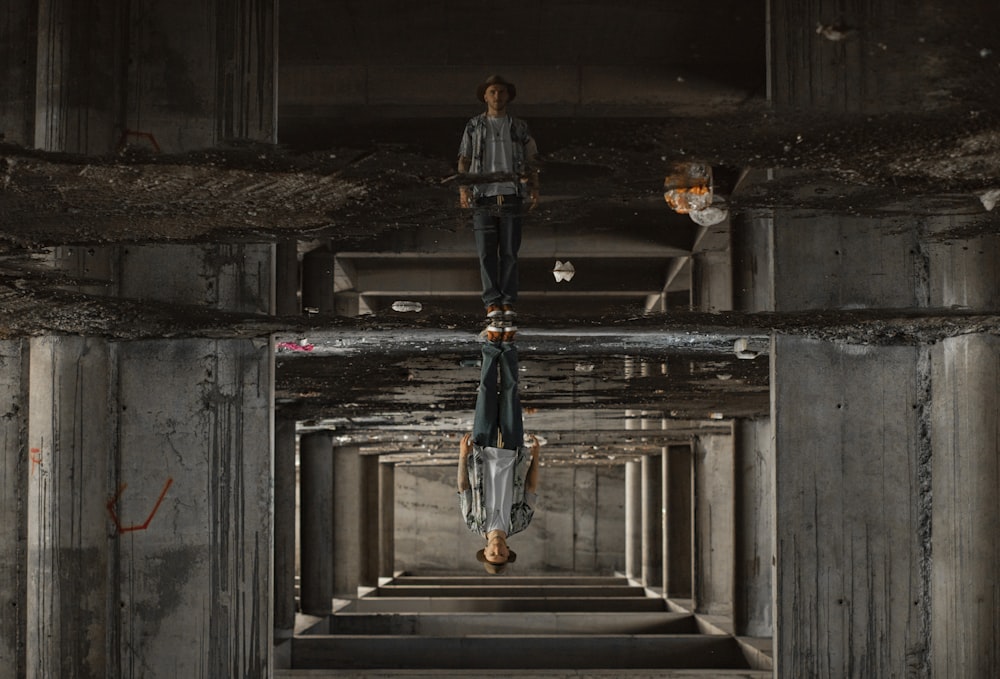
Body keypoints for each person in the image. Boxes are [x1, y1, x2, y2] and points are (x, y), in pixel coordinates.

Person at [457, 74, 540, 334]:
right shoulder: (473, 126)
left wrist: (534, 187)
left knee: (510, 252)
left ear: (508, 96)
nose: (497, 96)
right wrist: (463, 188)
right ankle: (492, 302)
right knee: (486, 252)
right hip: (483, 195)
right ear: (485, 95)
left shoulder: (519, 127)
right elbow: (464, 158)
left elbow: (532, 158)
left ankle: (506, 301)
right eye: (493, 92)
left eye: (502, 92)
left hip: (512, 194)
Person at [456, 340, 541, 574]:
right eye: (502, 555)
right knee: (511, 393)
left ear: (484, 551)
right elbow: (531, 487)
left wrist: (463, 455)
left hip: (481, 451)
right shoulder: (520, 523)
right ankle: (509, 349)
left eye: (492, 555)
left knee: (485, 393)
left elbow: (463, 488)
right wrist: (535, 456)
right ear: (508, 550)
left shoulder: (473, 522)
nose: (497, 552)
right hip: (513, 450)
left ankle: (491, 347)